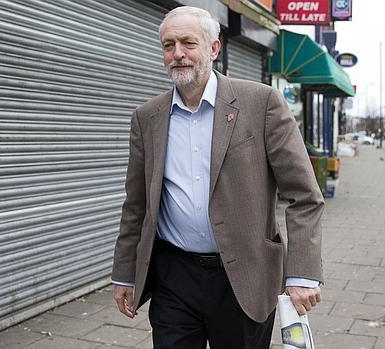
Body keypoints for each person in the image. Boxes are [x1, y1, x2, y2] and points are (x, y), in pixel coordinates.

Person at [111, 6, 323, 348]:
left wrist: (301, 272)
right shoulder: (147, 117)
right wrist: (124, 272)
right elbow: (136, 204)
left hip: (245, 278)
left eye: (187, 43)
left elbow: (305, 196)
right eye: (168, 45)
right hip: (173, 276)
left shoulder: (262, 103)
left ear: (213, 48)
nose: (177, 54)